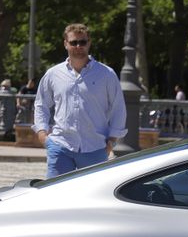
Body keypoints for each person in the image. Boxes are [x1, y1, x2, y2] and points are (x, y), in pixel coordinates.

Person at [33, 23, 126, 178]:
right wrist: (42, 134)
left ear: (89, 43)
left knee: (93, 198)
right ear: (65, 44)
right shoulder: (53, 74)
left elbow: (118, 108)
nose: (78, 46)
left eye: (82, 42)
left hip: (95, 148)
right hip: (60, 146)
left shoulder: (106, 74)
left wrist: (112, 141)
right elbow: (41, 104)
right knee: (55, 196)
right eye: (73, 42)